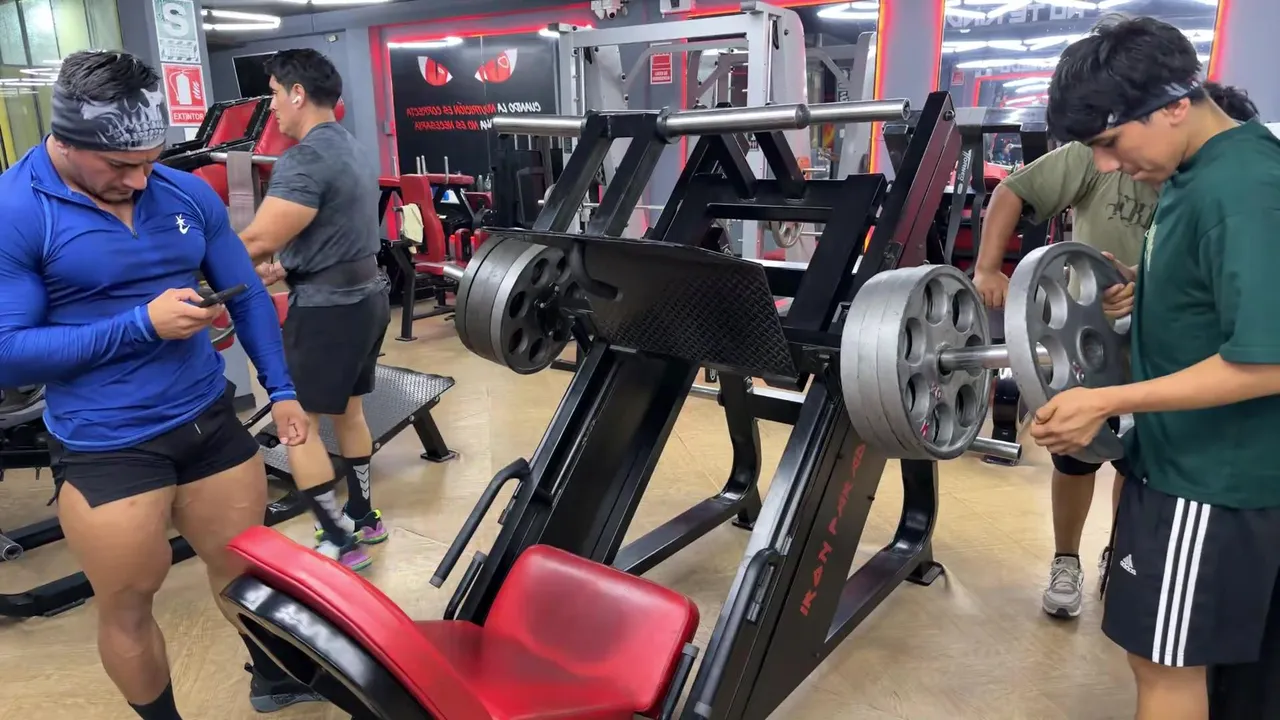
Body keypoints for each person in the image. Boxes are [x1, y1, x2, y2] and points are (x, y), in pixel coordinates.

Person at [0, 51, 325, 718]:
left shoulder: (182, 192)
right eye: (120, 166)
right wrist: (141, 326)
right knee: (127, 604)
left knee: (246, 571)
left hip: (207, 419)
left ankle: (272, 675)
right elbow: (7, 355)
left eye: (150, 160)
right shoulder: (16, 211)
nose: (140, 179)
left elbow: (247, 295)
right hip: (108, 444)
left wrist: (282, 389)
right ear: (65, 140)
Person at [1030, 16, 1280, 720]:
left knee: (1165, 669)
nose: (1106, 166)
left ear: (1173, 105)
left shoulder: (1241, 188)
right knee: (1219, 681)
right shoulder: (1195, 171)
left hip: (1208, 481)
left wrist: (1106, 401)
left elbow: (1269, 362)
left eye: (1110, 142)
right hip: (1183, 465)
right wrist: (1151, 289)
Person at [973, 80, 1260, 621]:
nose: (1110, 162)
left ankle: (1122, 554)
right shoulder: (1105, 157)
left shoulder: (1215, 188)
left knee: (1134, 460)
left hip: (1167, 359)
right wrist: (988, 269)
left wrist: (1141, 287)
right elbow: (1012, 190)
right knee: (1075, 457)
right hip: (1086, 338)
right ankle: (1067, 560)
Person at [239, 49, 390, 570]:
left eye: (275, 94)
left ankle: (339, 540)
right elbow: (335, 228)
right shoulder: (351, 147)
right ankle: (364, 516)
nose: (273, 106)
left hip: (329, 310)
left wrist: (194, 276)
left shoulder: (302, 158)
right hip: (368, 297)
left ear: (297, 94)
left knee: (296, 421)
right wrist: (289, 265)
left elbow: (257, 240)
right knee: (349, 410)